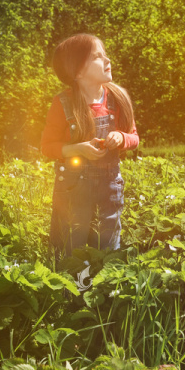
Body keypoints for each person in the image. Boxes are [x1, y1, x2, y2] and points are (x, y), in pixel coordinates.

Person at [41, 33, 139, 262]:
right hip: (74, 187)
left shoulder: (118, 98)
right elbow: (47, 147)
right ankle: (72, 286)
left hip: (110, 184)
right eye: (97, 56)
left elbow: (134, 138)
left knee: (109, 242)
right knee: (72, 242)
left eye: (105, 54)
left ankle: (106, 285)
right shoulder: (63, 103)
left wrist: (121, 137)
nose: (107, 60)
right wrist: (78, 149)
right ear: (78, 71)